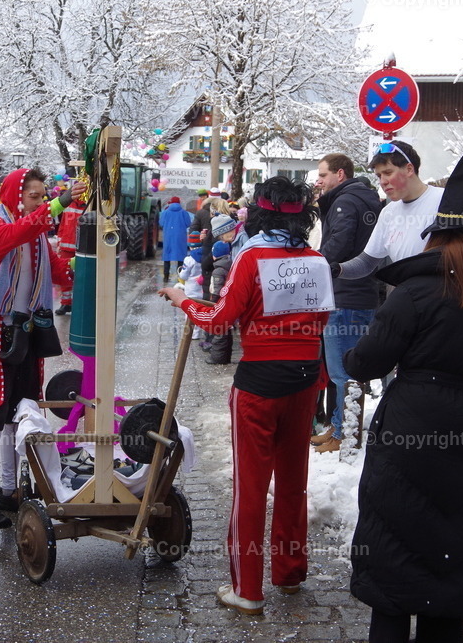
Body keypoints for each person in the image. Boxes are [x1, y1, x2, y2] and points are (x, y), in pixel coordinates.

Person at [342, 154, 463, 643]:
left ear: (437, 236)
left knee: (392, 548)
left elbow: (366, 363)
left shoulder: (415, 291)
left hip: (408, 425)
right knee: (451, 552)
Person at [158, 176, 333, 616]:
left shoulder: (252, 256)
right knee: (294, 483)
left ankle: (248, 590)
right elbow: (324, 323)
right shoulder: (316, 258)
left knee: (251, 488)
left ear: (258, 213)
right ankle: (290, 574)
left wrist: (182, 300)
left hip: (259, 383)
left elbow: (218, 320)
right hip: (305, 379)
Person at [0, 168, 82, 531]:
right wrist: (58, 204)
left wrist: (87, 259)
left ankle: (9, 493)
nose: (40, 202)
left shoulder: (38, 235)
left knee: (20, 412)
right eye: (35, 196)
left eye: (44, 196)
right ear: (15, 196)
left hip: (25, 330)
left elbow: (60, 272)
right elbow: (14, 235)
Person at [311, 153, 383, 453]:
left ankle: (344, 435)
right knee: (347, 371)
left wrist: (311, 265)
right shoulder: (365, 198)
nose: (319, 181)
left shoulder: (345, 202)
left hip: (345, 295)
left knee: (343, 373)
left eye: (323, 175)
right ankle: (339, 428)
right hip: (362, 294)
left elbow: (337, 247)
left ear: (340, 174)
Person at [335, 140, 444, 278]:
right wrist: (336, 269)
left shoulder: (444, 200)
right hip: (409, 294)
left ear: (409, 169)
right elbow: (366, 262)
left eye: (388, 172)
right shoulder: (388, 212)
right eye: (379, 175)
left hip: (443, 294)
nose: (383, 181)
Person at [53, 182, 86, 314]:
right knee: (65, 276)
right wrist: (59, 241)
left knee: (81, 277)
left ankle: (79, 304)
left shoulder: (89, 205)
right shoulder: (68, 203)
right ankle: (65, 303)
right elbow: (62, 224)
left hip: (81, 247)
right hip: (66, 246)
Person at [204, 240, 234, 365]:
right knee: (227, 331)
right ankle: (226, 356)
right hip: (228, 302)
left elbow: (216, 289)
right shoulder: (230, 264)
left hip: (220, 303)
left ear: (214, 255)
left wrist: (213, 303)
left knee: (219, 331)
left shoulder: (218, 270)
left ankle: (217, 358)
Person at [159, 196, 192, 283]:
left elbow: (161, 223)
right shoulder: (184, 213)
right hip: (180, 237)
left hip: (168, 237)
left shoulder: (165, 212)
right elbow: (188, 223)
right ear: (179, 203)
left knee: (167, 256)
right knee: (180, 257)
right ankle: (180, 277)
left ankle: (166, 277)